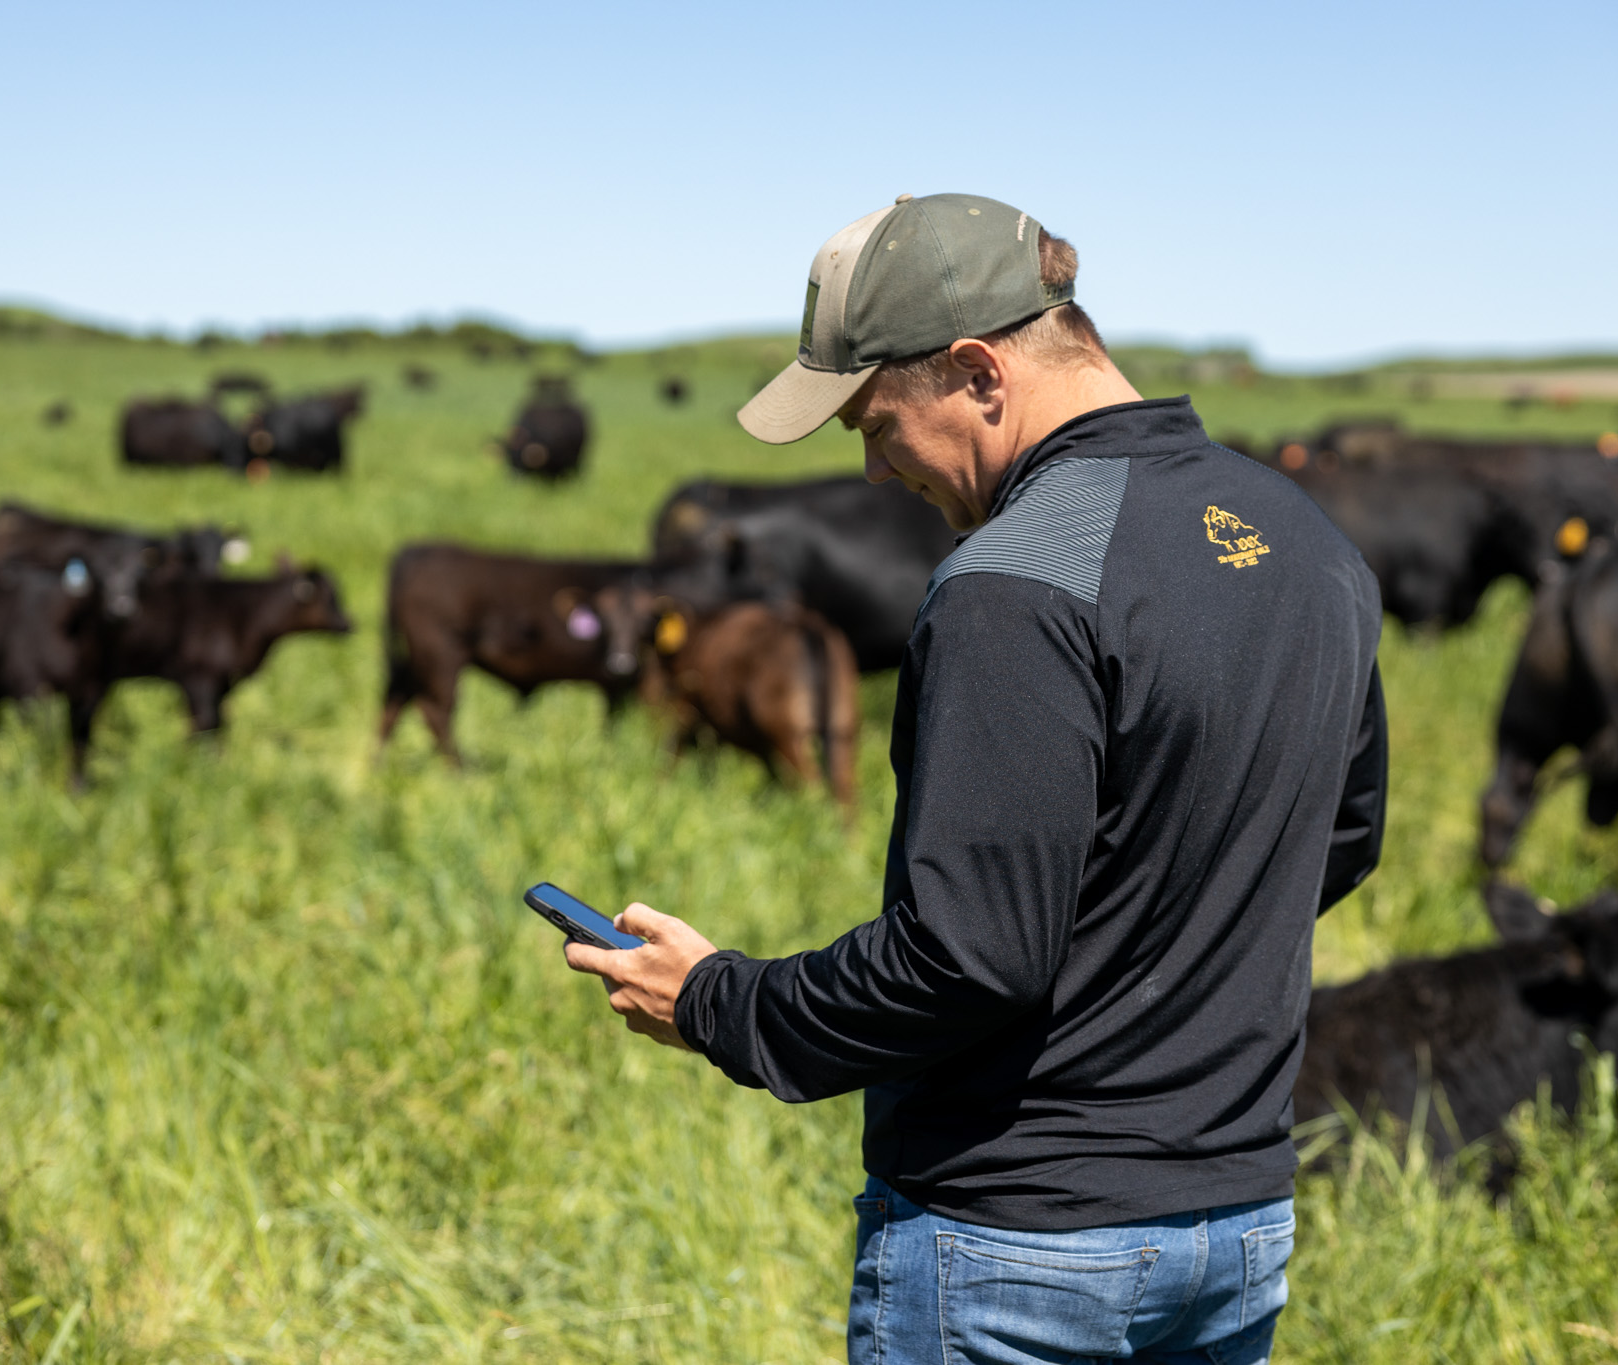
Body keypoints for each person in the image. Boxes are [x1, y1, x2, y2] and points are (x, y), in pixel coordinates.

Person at [563, 193, 1387, 1364]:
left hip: (1021, 1251)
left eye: (873, 422)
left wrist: (717, 1004)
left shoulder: (1013, 579)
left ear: (975, 372)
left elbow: (965, 958)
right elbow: (1336, 843)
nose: (872, 471)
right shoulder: (1302, 536)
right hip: (1238, 1225)